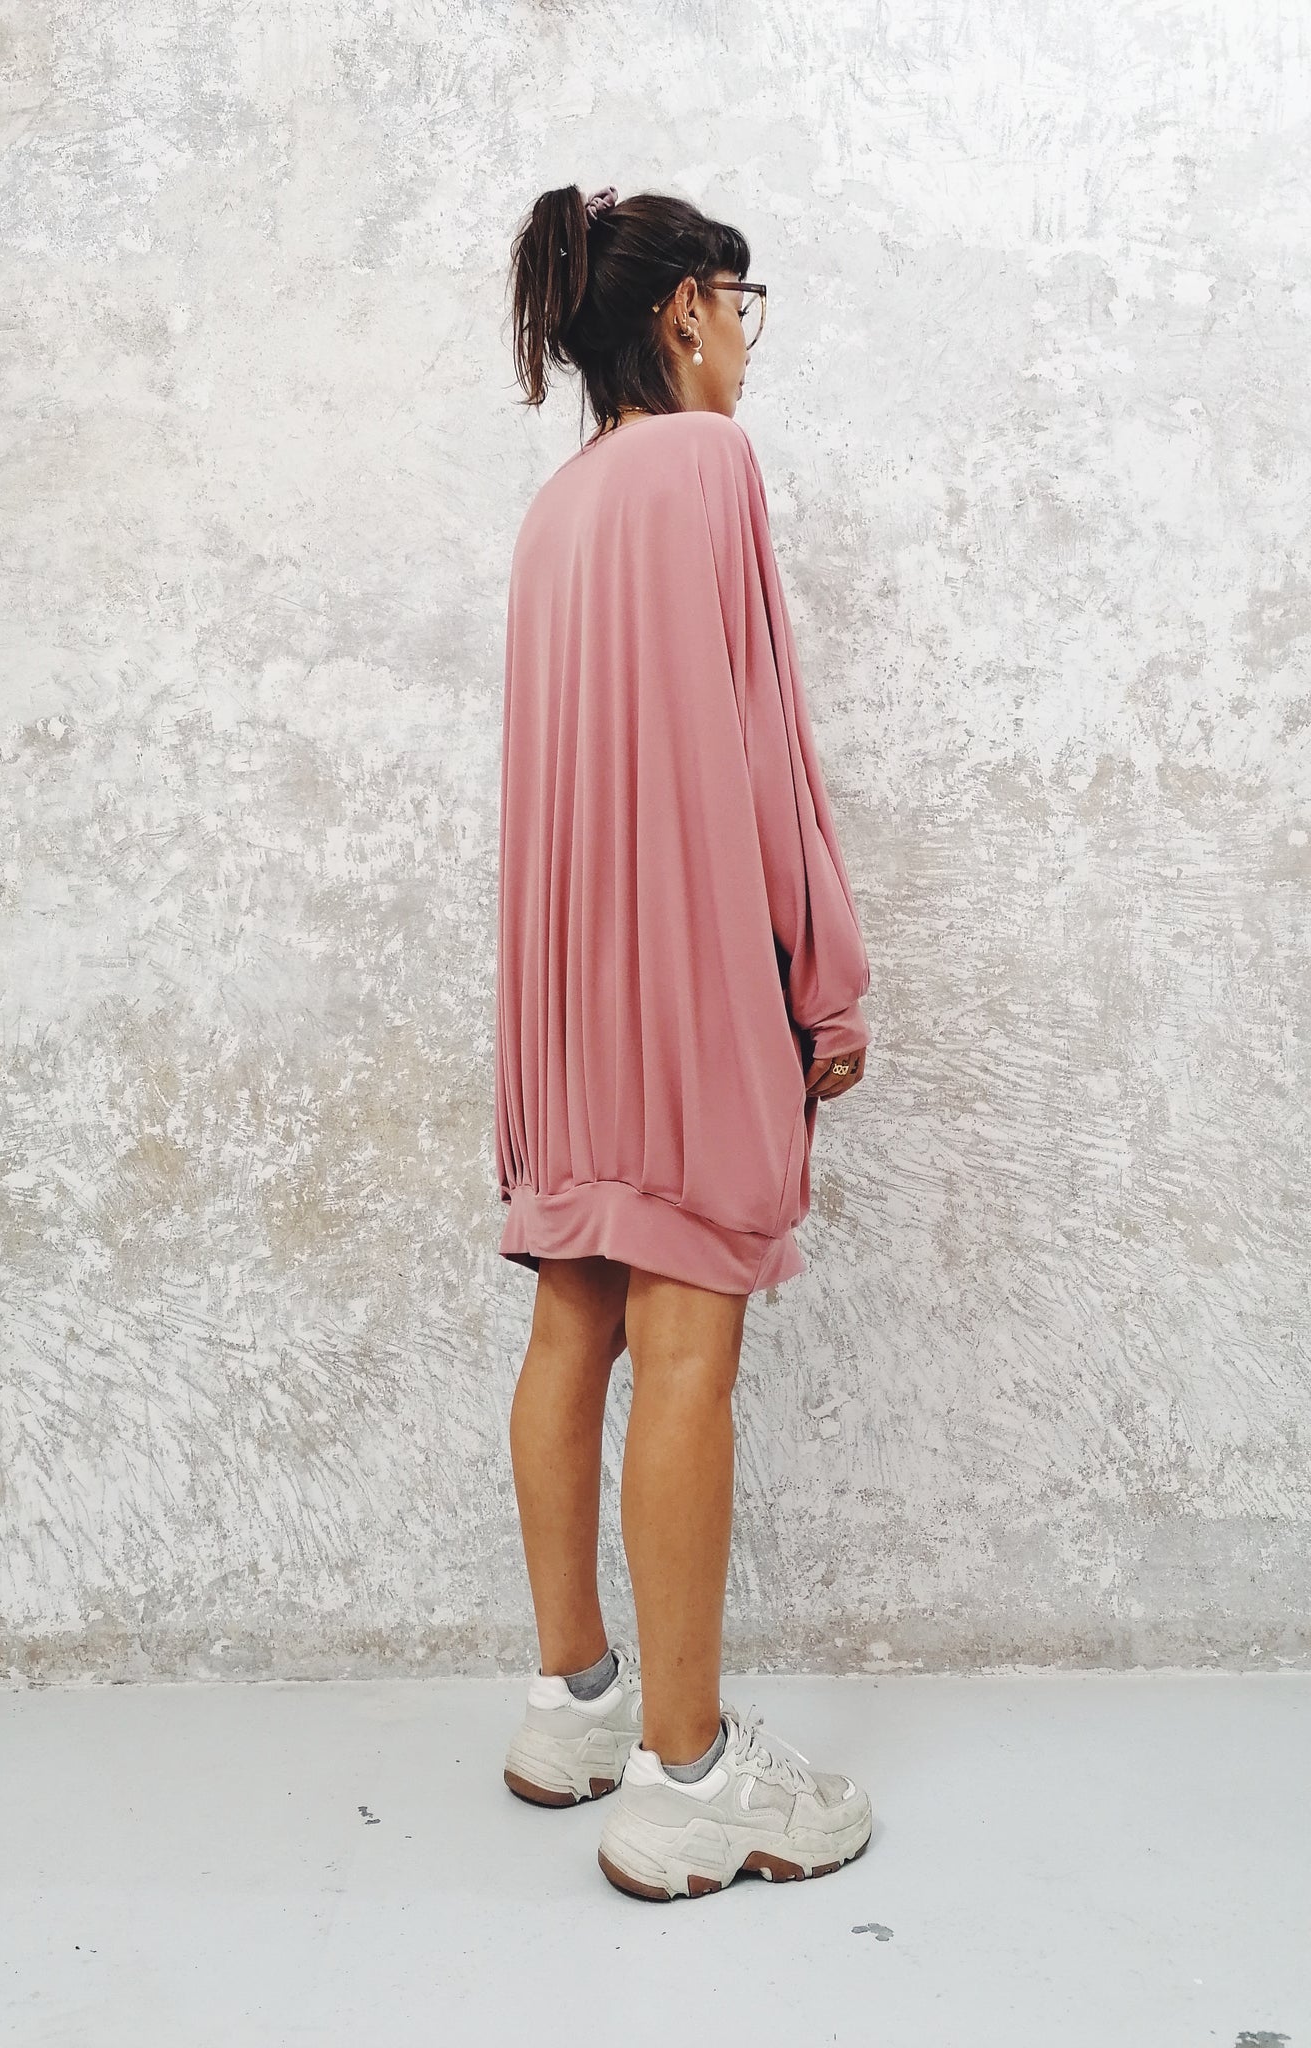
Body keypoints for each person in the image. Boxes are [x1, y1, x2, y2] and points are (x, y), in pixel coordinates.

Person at [492, 183, 877, 1903]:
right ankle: (691, 1776)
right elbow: (760, 737)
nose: (747, 338)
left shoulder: (557, 508)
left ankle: (573, 1705)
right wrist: (823, 974)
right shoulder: (706, 466)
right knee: (689, 1343)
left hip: (568, 981)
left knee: (576, 1309)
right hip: (687, 958)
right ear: (684, 311)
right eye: (741, 302)